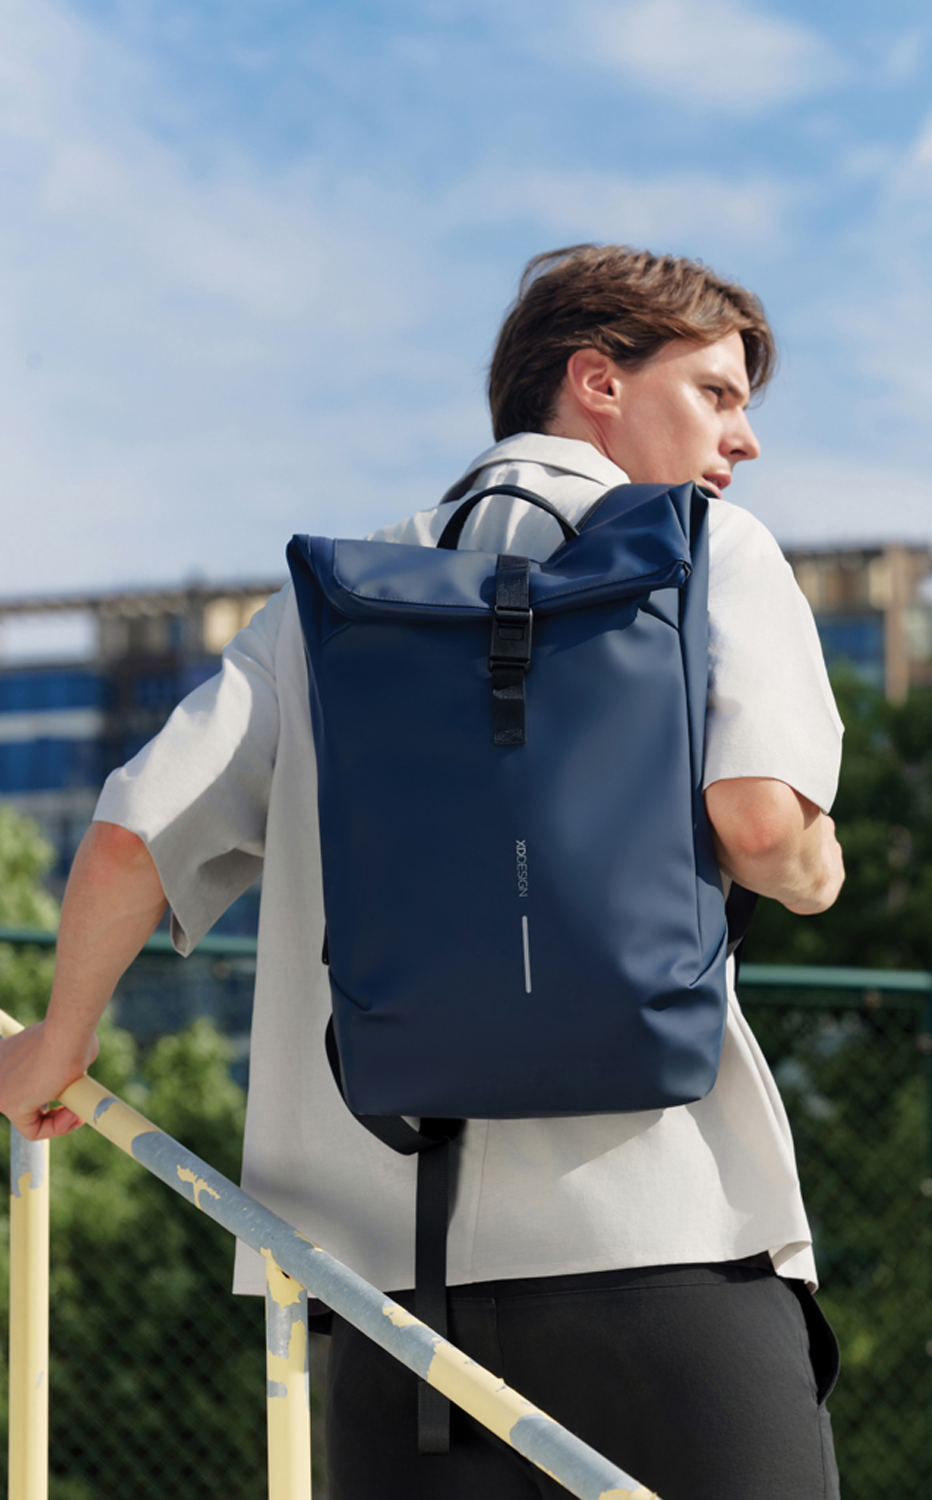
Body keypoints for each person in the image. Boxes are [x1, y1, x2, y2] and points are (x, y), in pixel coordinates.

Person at [0, 244, 845, 1499]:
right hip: (668, 1245)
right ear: (596, 380)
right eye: (716, 393)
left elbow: (134, 830)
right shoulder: (707, 547)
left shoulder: (333, 603)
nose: (744, 439)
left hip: (385, 1301)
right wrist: (820, 869)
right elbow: (763, 828)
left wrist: (59, 1041)